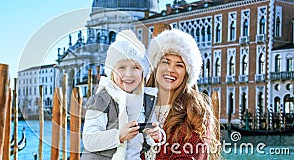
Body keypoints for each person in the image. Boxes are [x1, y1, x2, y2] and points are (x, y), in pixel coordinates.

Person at [81, 30, 160, 160]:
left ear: (143, 72)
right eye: (121, 67)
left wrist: (157, 135)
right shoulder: (101, 99)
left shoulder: (147, 101)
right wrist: (119, 136)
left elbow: (151, 132)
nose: (128, 74)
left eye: (135, 67)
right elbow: (89, 140)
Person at [145, 29, 220, 159]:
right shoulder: (136, 106)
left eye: (179, 65)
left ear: (187, 73)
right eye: (166, 62)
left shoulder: (196, 112)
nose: (171, 70)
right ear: (155, 66)